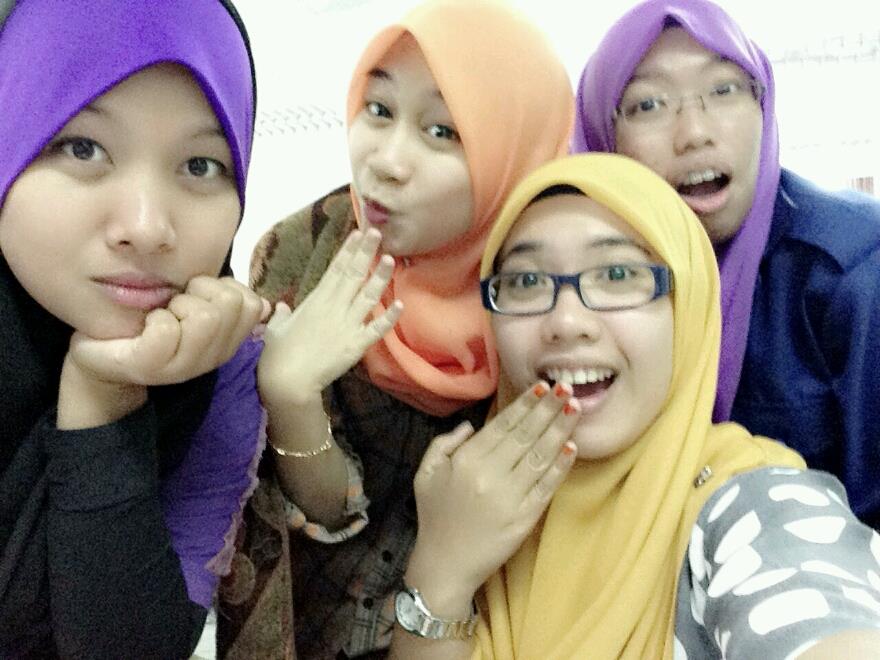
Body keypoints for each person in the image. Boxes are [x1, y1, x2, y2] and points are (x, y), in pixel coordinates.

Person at [390, 153, 880, 660]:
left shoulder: (755, 506)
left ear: (685, 308)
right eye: (526, 281)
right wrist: (441, 572)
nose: (566, 323)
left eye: (618, 273)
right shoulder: (474, 501)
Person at [216, 1, 574, 657]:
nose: (386, 161)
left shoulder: (556, 298)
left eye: (442, 131)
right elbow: (316, 512)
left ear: (510, 149)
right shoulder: (305, 252)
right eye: (378, 110)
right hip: (313, 623)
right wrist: (291, 395)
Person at [0, 1, 270, 656]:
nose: (148, 228)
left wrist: (101, 401)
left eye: (200, 165)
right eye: (83, 147)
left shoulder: (224, 367)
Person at [571, 0, 880, 528]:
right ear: (603, 136)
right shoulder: (578, 288)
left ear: (763, 103)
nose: (694, 132)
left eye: (724, 90)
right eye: (649, 104)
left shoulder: (850, 267)